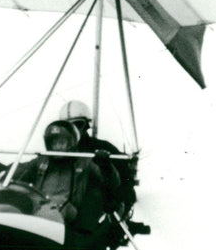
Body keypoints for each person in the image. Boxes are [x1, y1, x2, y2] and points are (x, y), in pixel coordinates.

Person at [0, 120, 121, 250]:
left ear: (71, 143)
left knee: (65, 203)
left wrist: (106, 165)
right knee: (15, 198)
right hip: (41, 209)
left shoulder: (84, 162)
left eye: (62, 143)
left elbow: (113, 182)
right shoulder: (41, 162)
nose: (58, 147)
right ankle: (4, 241)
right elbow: (8, 173)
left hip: (66, 214)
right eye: (54, 143)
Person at [57, 100, 149, 235]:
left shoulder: (104, 148)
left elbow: (125, 181)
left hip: (97, 207)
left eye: (78, 125)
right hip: (66, 205)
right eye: (67, 127)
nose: (73, 131)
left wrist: (117, 200)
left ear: (86, 125)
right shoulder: (58, 153)